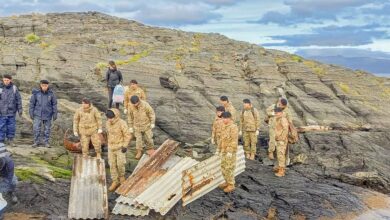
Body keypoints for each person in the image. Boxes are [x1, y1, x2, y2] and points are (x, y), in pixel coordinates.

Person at [105, 108, 131, 192]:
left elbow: (127, 135)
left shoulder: (122, 123)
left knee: (120, 164)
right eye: (108, 118)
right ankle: (115, 181)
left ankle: (122, 177)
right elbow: (108, 134)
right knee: (112, 164)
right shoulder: (107, 123)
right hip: (111, 148)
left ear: (115, 116)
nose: (109, 119)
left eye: (111, 118)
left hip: (120, 148)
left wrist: (125, 146)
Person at [29, 80, 58, 148]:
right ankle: (36, 142)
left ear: (48, 86)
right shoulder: (36, 94)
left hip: (48, 114)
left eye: (46, 85)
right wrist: (31, 113)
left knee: (47, 129)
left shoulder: (51, 94)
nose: (44, 87)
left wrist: (55, 114)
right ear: (40, 85)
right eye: (43, 85)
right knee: (36, 129)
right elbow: (32, 104)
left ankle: (46, 142)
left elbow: (54, 104)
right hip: (37, 114)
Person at [127, 96, 156, 160]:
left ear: (138, 101)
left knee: (149, 138)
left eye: (136, 103)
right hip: (137, 126)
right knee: (138, 140)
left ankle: (150, 149)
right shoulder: (131, 106)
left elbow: (151, 113)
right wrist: (130, 127)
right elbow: (130, 116)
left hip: (146, 125)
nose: (135, 105)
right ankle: (139, 151)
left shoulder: (145, 104)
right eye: (133, 104)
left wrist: (152, 123)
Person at [218, 112, 238, 193]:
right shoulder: (223, 126)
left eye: (225, 118)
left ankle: (231, 185)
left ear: (229, 118)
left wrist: (230, 151)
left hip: (230, 151)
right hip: (223, 150)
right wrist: (218, 149)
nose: (223, 120)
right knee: (223, 166)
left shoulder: (233, 127)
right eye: (222, 118)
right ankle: (226, 181)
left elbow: (234, 140)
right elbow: (221, 138)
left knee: (229, 168)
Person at [0, 74, 22, 147]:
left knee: (11, 127)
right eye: (4, 80)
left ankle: (10, 140)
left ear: (10, 80)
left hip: (11, 112)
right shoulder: (0, 88)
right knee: (1, 126)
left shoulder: (14, 88)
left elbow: (18, 99)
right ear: (3, 80)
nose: (6, 81)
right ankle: (1, 141)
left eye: (7, 80)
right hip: (2, 112)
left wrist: (20, 110)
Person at [273, 107, 289, 177]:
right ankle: (279, 167)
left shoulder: (283, 119)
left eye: (277, 113)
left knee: (281, 155)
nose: (276, 114)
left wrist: (281, 138)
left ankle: (281, 171)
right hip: (278, 139)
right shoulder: (278, 119)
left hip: (281, 140)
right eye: (275, 113)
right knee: (278, 154)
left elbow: (285, 129)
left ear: (281, 113)